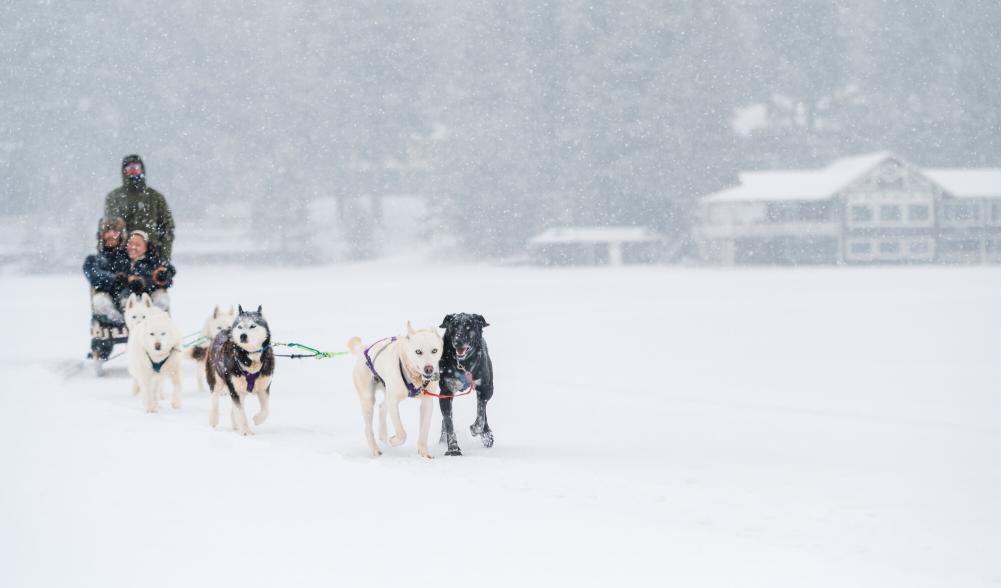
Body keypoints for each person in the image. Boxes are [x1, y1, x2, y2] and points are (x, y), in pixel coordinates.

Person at [104, 154, 175, 260]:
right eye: (129, 168)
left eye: (136, 167)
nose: (133, 171)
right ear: (124, 171)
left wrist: (164, 257)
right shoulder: (114, 197)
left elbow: (167, 228)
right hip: (122, 255)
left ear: (142, 170)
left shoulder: (155, 197)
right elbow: (110, 228)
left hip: (151, 253)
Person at [83, 216, 131, 325]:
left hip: (125, 296)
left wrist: (126, 280)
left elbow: (135, 274)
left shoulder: (129, 257)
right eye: (107, 232)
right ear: (101, 235)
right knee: (100, 301)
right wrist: (114, 278)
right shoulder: (93, 259)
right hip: (104, 299)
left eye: (115, 232)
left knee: (130, 300)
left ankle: (127, 318)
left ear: (121, 235)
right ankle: (116, 320)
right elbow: (94, 277)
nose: (111, 235)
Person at [124, 229, 176, 312]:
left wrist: (145, 282)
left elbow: (168, 277)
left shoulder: (154, 260)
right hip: (127, 297)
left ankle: (155, 319)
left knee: (161, 299)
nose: (133, 247)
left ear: (145, 247)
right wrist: (127, 281)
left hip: (150, 298)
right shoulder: (120, 258)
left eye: (137, 245)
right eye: (130, 244)